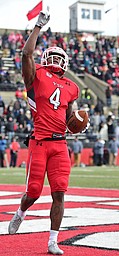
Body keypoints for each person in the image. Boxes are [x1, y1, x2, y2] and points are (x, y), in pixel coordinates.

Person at [8, 11, 82, 255]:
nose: (55, 59)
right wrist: (38, 27)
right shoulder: (37, 75)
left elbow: (70, 117)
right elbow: (26, 53)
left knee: (59, 192)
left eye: (59, 57)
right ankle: (21, 212)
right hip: (39, 142)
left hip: (60, 145)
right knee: (33, 193)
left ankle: (53, 241)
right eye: (51, 56)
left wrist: (79, 122)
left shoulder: (72, 87)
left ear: (66, 63)